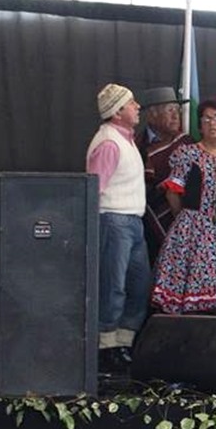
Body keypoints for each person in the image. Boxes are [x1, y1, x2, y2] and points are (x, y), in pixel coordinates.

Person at [149, 100, 216, 315]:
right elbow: (173, 191)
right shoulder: (187, 154)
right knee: (193, 289)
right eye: (206, 119)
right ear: (200, 125)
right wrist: (187, 220)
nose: (212, 123)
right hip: (194, 227)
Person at [86, 83, 150, 374]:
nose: (137, 107)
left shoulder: (126, 140)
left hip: (132, 220)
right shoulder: (109, 143)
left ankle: (124, 342)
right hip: (113, 218)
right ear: (117, 111)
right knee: (114, 285)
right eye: (132, 103)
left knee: (138, 285)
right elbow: (93, 188)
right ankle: (106, 346)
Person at [136, 86, 192, 266]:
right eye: (170, 110)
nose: (176, 116)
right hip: (150, 224)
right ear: (152, 114)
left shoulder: (187, 143)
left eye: (177, 110)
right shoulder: (137, 146)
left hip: (185, 221)